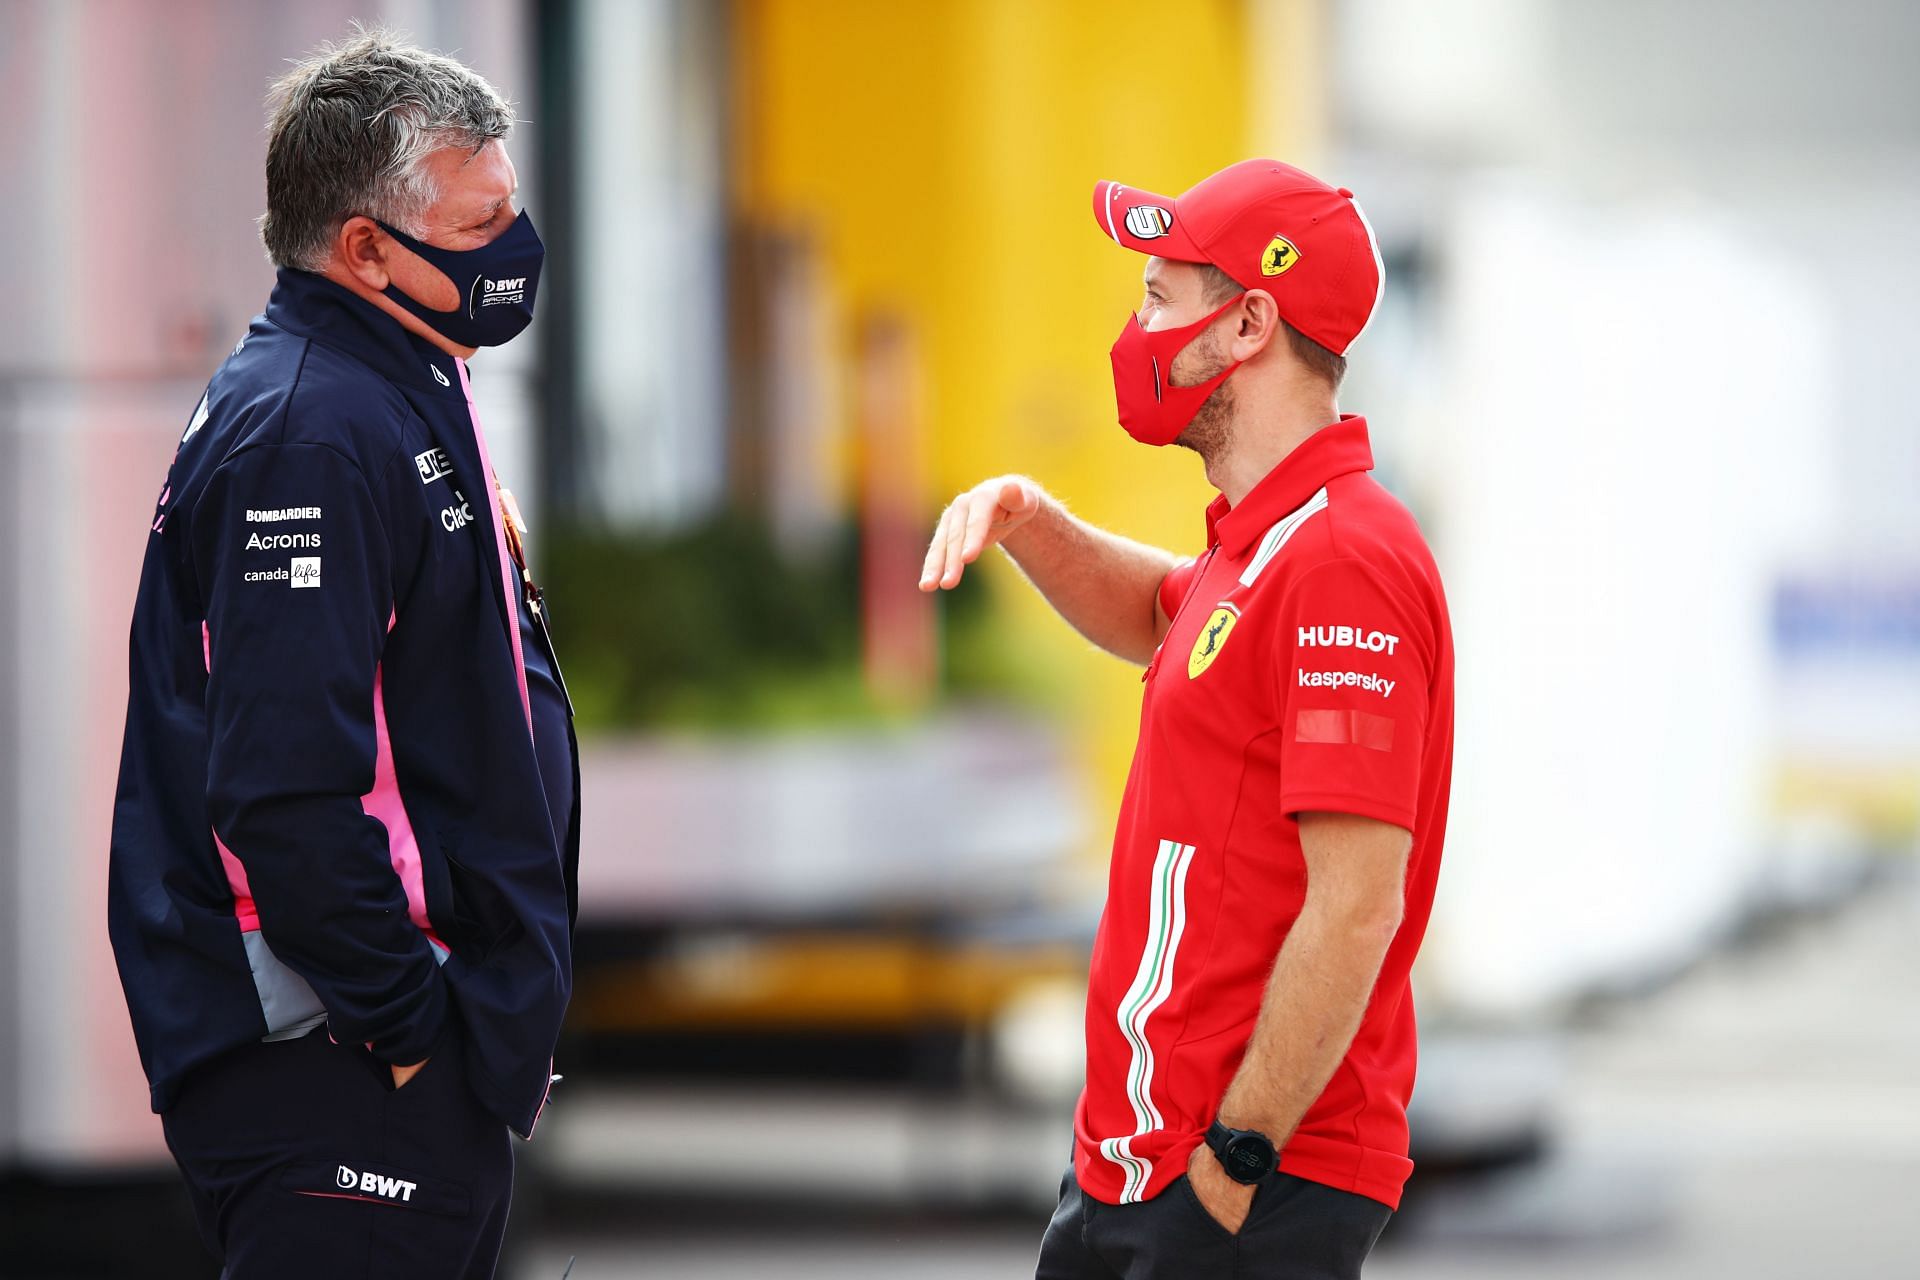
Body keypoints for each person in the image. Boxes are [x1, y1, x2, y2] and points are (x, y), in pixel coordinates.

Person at [922, 159, 1454, 1279]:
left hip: (1243, 1182)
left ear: (1250, 321)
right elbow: (1166, 615)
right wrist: (1031, 519)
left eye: (1160, 297)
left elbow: (1357, 903)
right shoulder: (1259, 544)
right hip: (1138, 1162)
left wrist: (1231, 1160)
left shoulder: (1343, 559)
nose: (1135, 330)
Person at [107, 28, 577, 1277]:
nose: (515, 253)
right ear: (365, 248)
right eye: (478, 228)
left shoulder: (397, 378)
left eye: (511, 213)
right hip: (339, 1065)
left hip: (386, 1066)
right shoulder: (312, 433)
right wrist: (414, 1030)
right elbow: (281, 788)